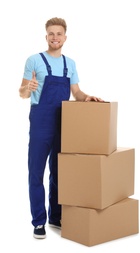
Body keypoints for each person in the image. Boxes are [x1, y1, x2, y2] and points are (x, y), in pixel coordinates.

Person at [19, 17, 103, 239]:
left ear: (65, 37)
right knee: (36, 172)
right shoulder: (34, 60)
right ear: (45, 36)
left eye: (59, 34)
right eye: (51, 33)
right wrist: (28, 87)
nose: (55, 37)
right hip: (40, 121)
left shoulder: (70, 64)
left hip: (64, 121)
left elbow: (76, 92)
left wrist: (87, 98)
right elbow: (23, 93)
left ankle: (55, 217)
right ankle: (39, 222)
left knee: (59, 171)